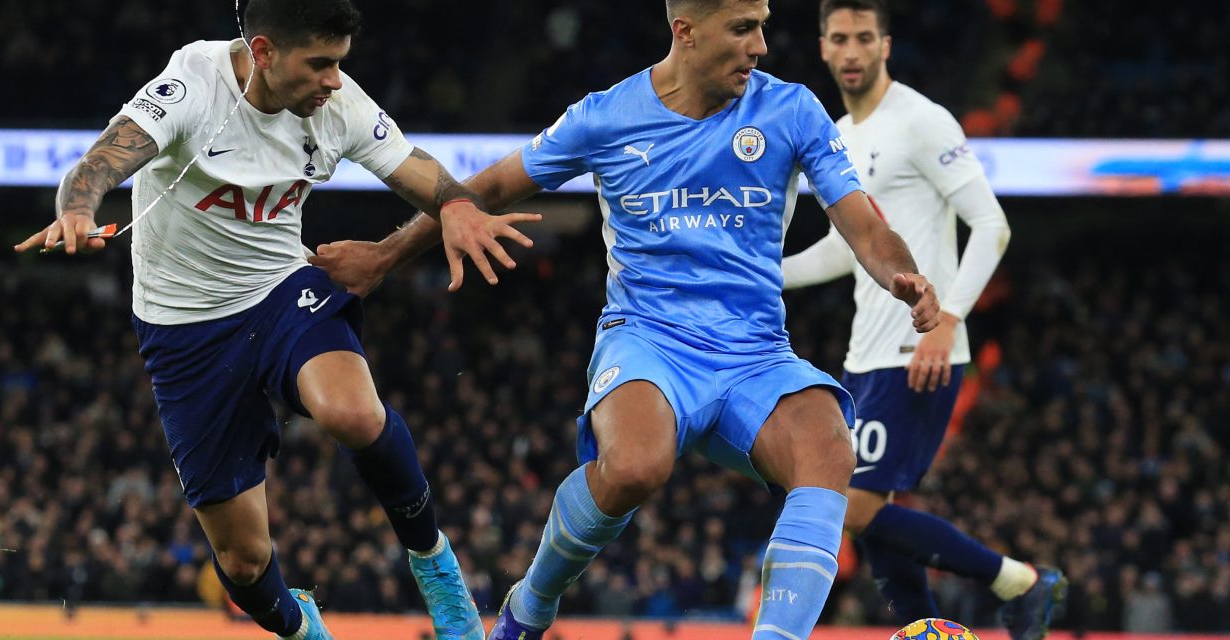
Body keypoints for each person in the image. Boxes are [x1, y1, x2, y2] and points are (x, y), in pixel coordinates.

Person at [313, 1, 941, 637]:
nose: (761, 47)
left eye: (762, 25)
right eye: (743, 28)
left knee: (829, 448)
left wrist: (901, 276)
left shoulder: (791, 109)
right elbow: (489, 189)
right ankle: (529, 607)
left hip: (756, 353)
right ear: (686, 31)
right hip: (648, 342)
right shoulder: (606, 115)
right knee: (637, 467)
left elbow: (864, 224)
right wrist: (385, 255)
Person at [13, 1, 539, 638]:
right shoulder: (191, 85)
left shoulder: (340, 106)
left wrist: (455, 204)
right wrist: (76, 208)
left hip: (280, 290)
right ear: (262, 52)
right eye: (319, 64)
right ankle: (302, 629)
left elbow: (421, 173)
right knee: (243, 560)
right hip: (185, 329)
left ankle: (437, 571)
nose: (334, 81)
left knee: (353, 413)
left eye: (340, 63)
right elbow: (99, 162)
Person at [780, 1, 1065, 638]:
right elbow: (844, 248)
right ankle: (922, 628)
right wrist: (767, 276)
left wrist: (948, 322)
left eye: (863, 38)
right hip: (864, 358)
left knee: (850, 505)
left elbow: (992, 224)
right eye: (839, 39)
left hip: (917, 351)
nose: (851, 51)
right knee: (866, 510)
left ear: (886, 44)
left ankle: (1018, 580)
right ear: (822, 48)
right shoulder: (838, 136)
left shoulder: (922, 121)